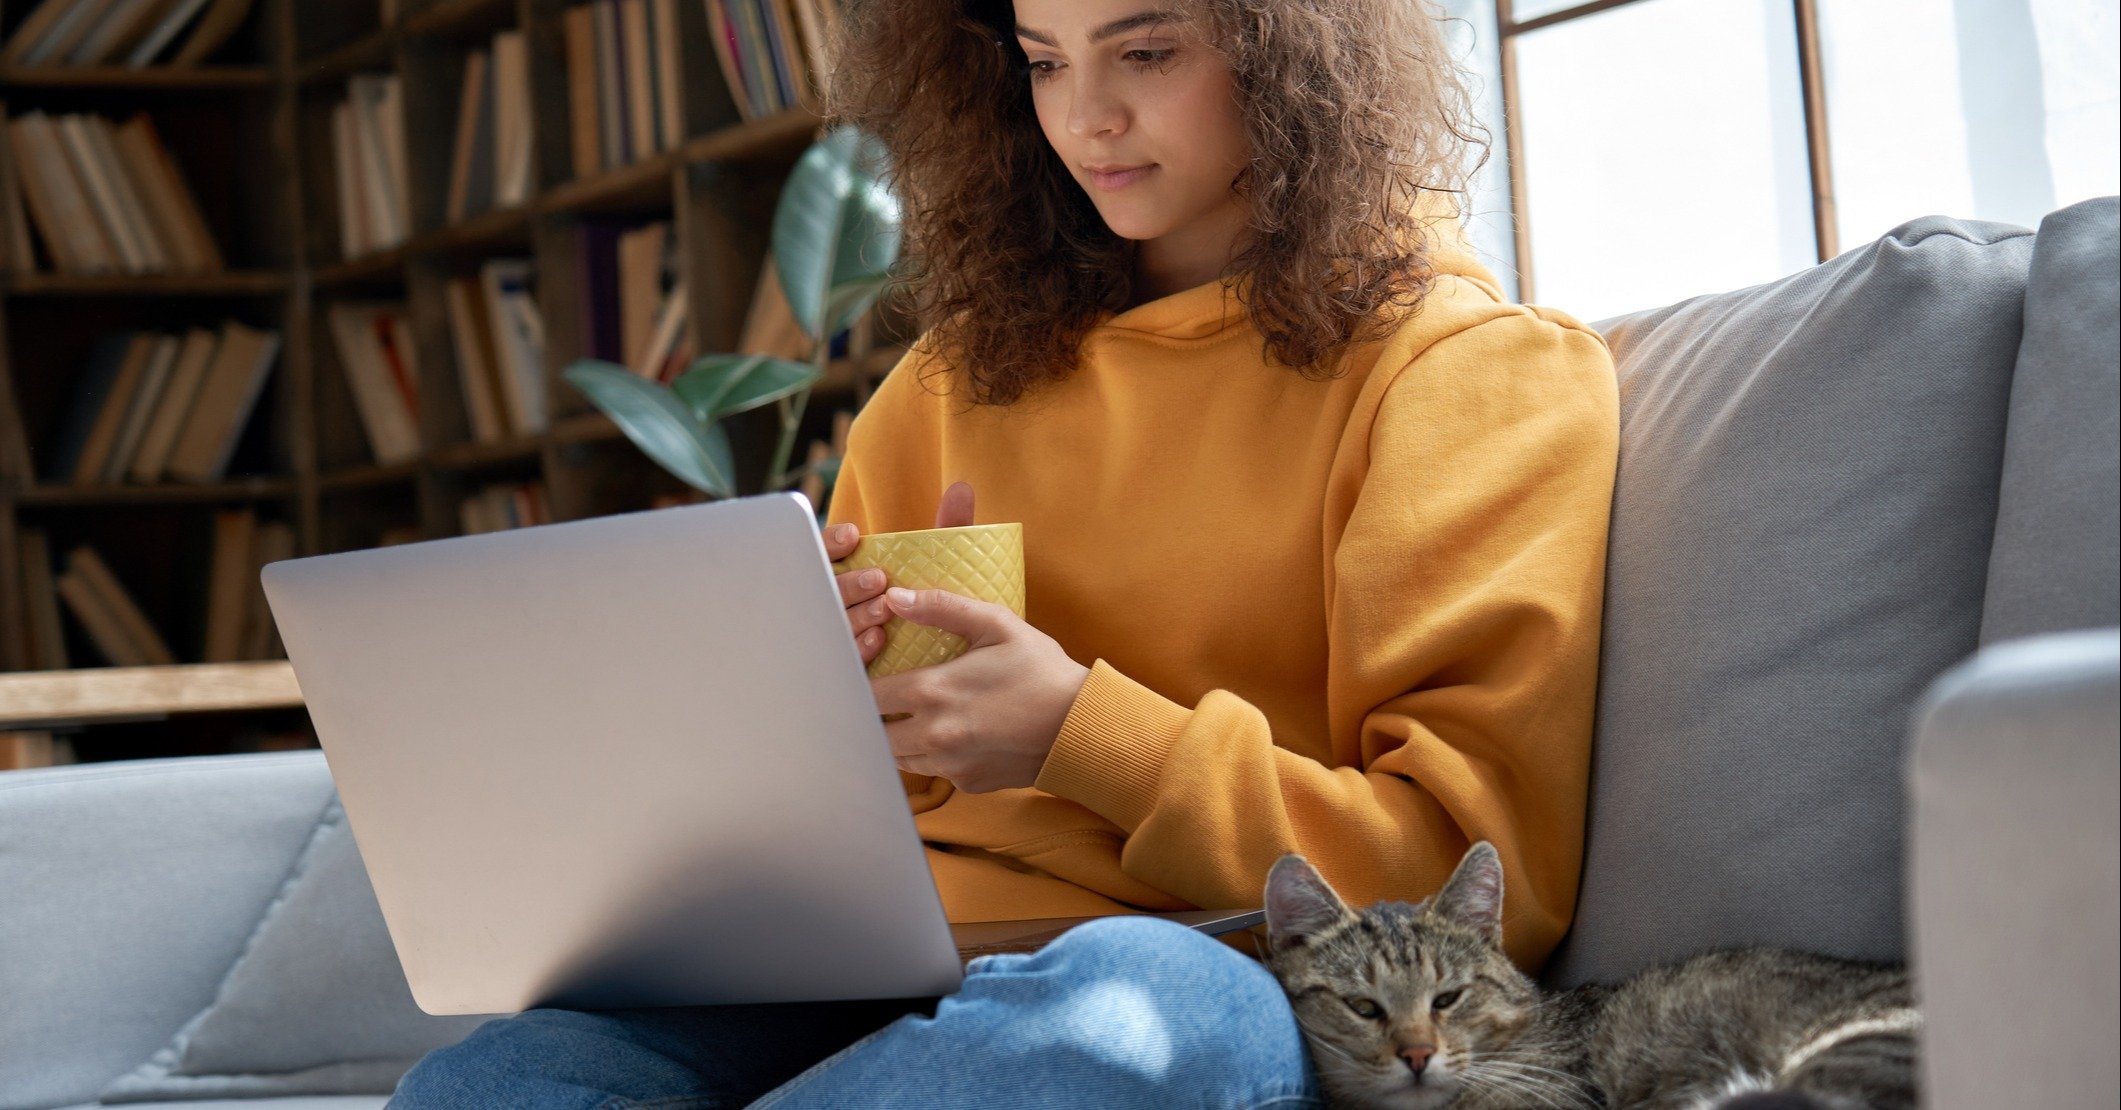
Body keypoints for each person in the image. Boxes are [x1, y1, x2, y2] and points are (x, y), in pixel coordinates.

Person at [391, 0, 1618, 1104]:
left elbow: (1470, 869)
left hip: (1208, 954)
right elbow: (888, 791)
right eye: (1042, 62)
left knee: (1143, 1021)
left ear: (1292, 54)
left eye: (1146, 50)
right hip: (870, 954)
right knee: (492, 1085)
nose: (1086, 115)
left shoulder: (1468, 373)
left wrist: (1080, 730)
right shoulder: (952, 377)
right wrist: (820, 693)